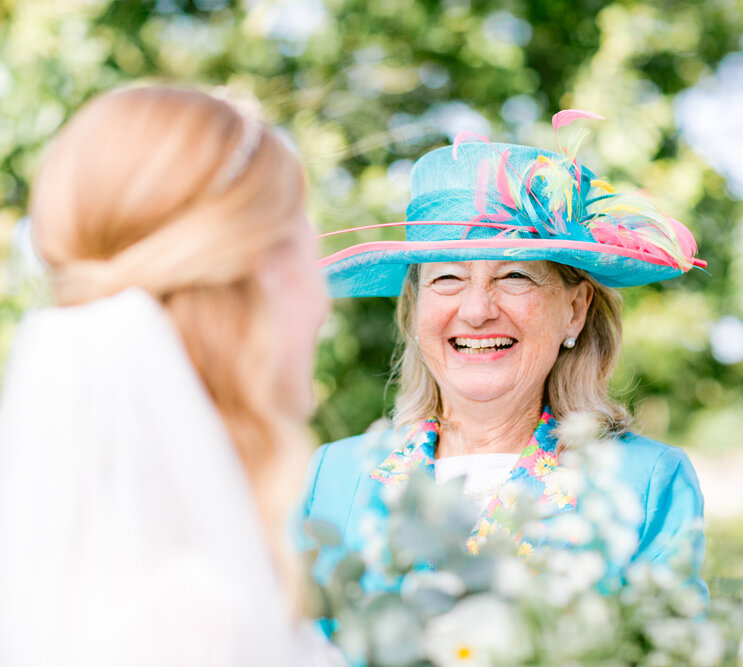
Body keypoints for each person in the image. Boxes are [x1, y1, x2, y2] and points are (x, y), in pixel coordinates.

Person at [0, 86, 336, 666]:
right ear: (260, 277)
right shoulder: (196, 622)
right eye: (307, 252)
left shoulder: (120, 574)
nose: (325, 303)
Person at [301, 111, 708, 601]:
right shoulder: (332, 476)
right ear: (414, 311)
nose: (476, 311)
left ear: (575, 311)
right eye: (446, 278)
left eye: (514, 276)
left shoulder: (644, 482)